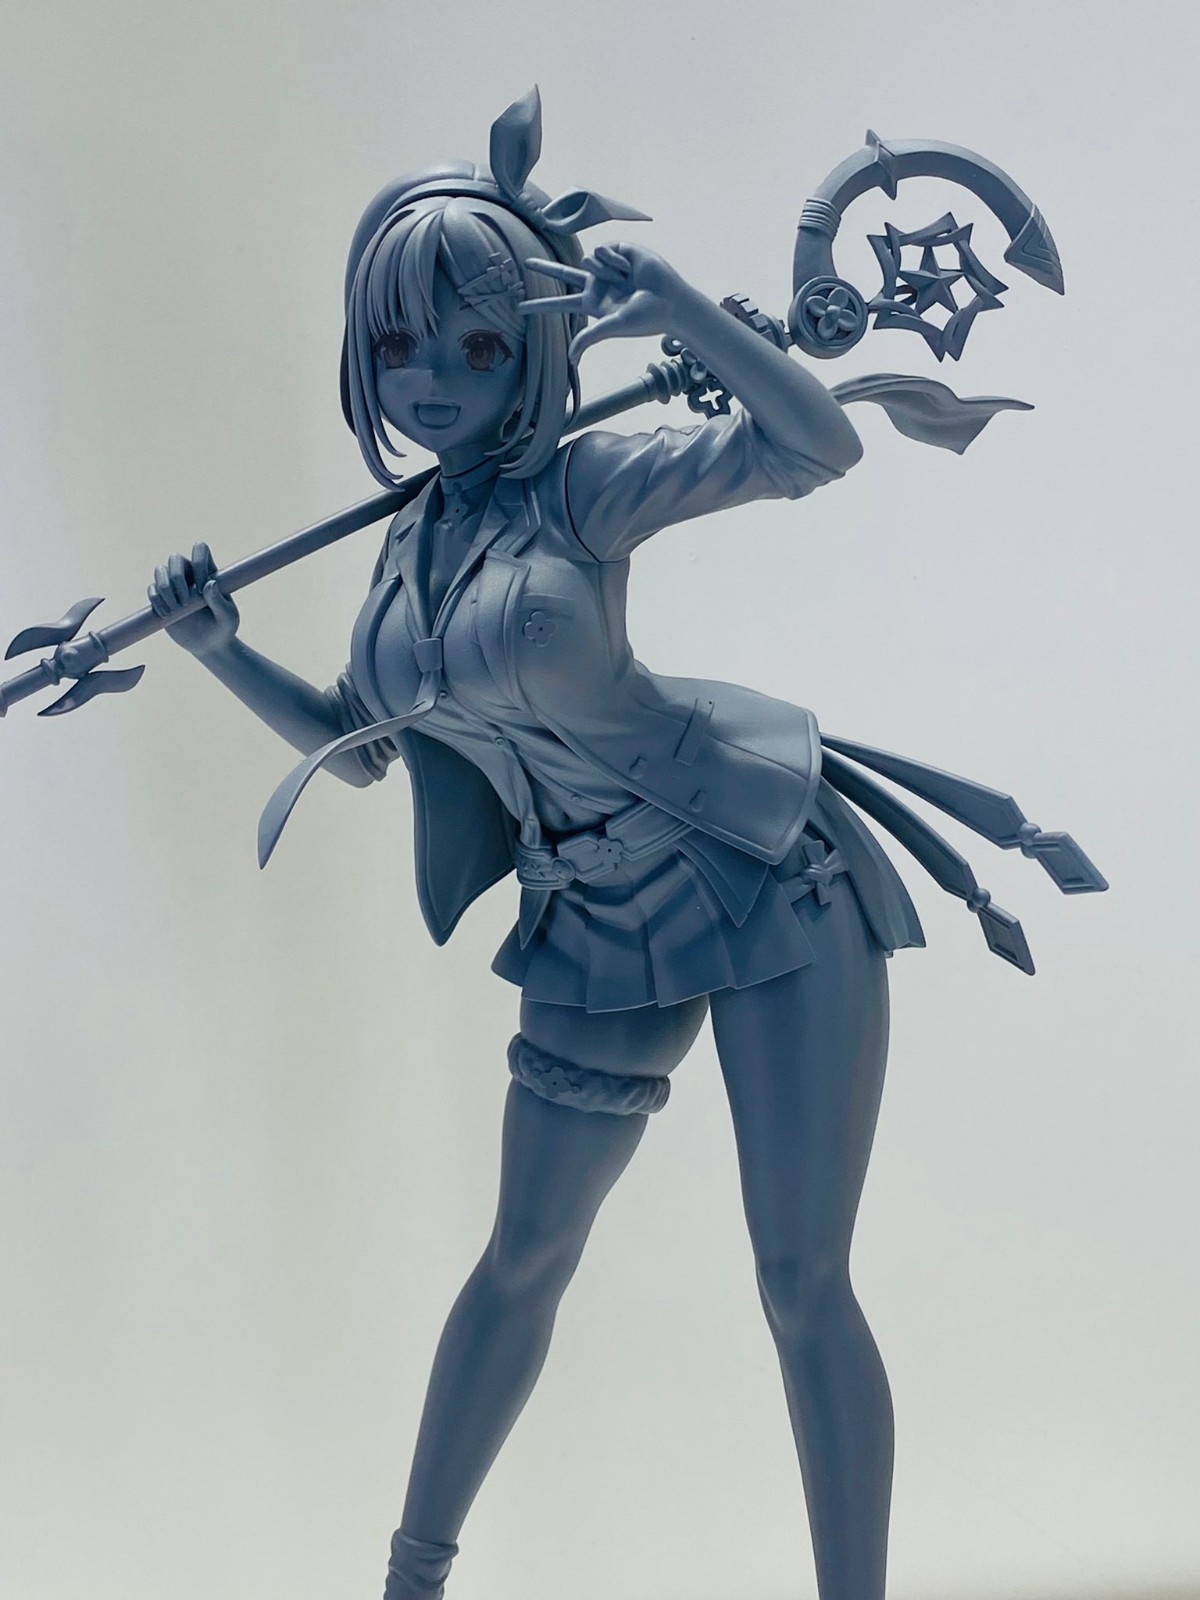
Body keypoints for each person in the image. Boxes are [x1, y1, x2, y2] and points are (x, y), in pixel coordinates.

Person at [147, 88, 1097, 1600]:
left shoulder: (583, 485)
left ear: (534, 350)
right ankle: (410, 1582)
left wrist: (684, 313)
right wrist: (216, 649)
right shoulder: (403, 551)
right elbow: (363, 745)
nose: (432, 380)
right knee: (524, 1257)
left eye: (478, 346)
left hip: (767, 870)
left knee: (799, 1277)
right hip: (590, 910)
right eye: (399, 346)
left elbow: (814, 446)